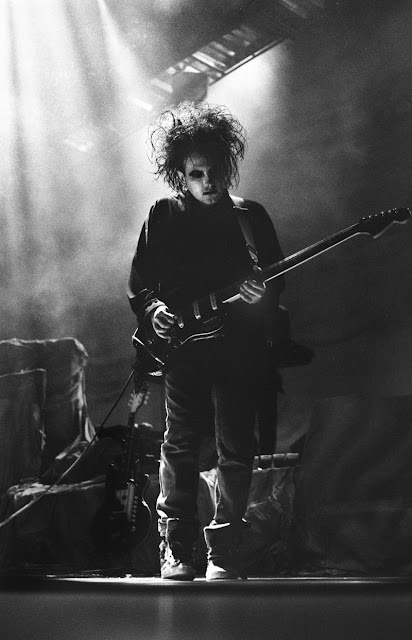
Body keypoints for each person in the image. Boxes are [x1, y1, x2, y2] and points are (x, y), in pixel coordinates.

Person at [127, 102, 284, 580]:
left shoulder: (250, 216)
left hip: (238, 350)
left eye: (215, 172)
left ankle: (225, 551)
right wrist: (154, 311)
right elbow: (140, 282)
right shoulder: (163, 214)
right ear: (181, 174)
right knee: (178, 445)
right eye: (197, 174)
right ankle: (177, 548)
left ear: (228, 167)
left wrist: (264, 290)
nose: (209, 182)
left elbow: (277, 278)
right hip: (184, 352)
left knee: (237, 446)